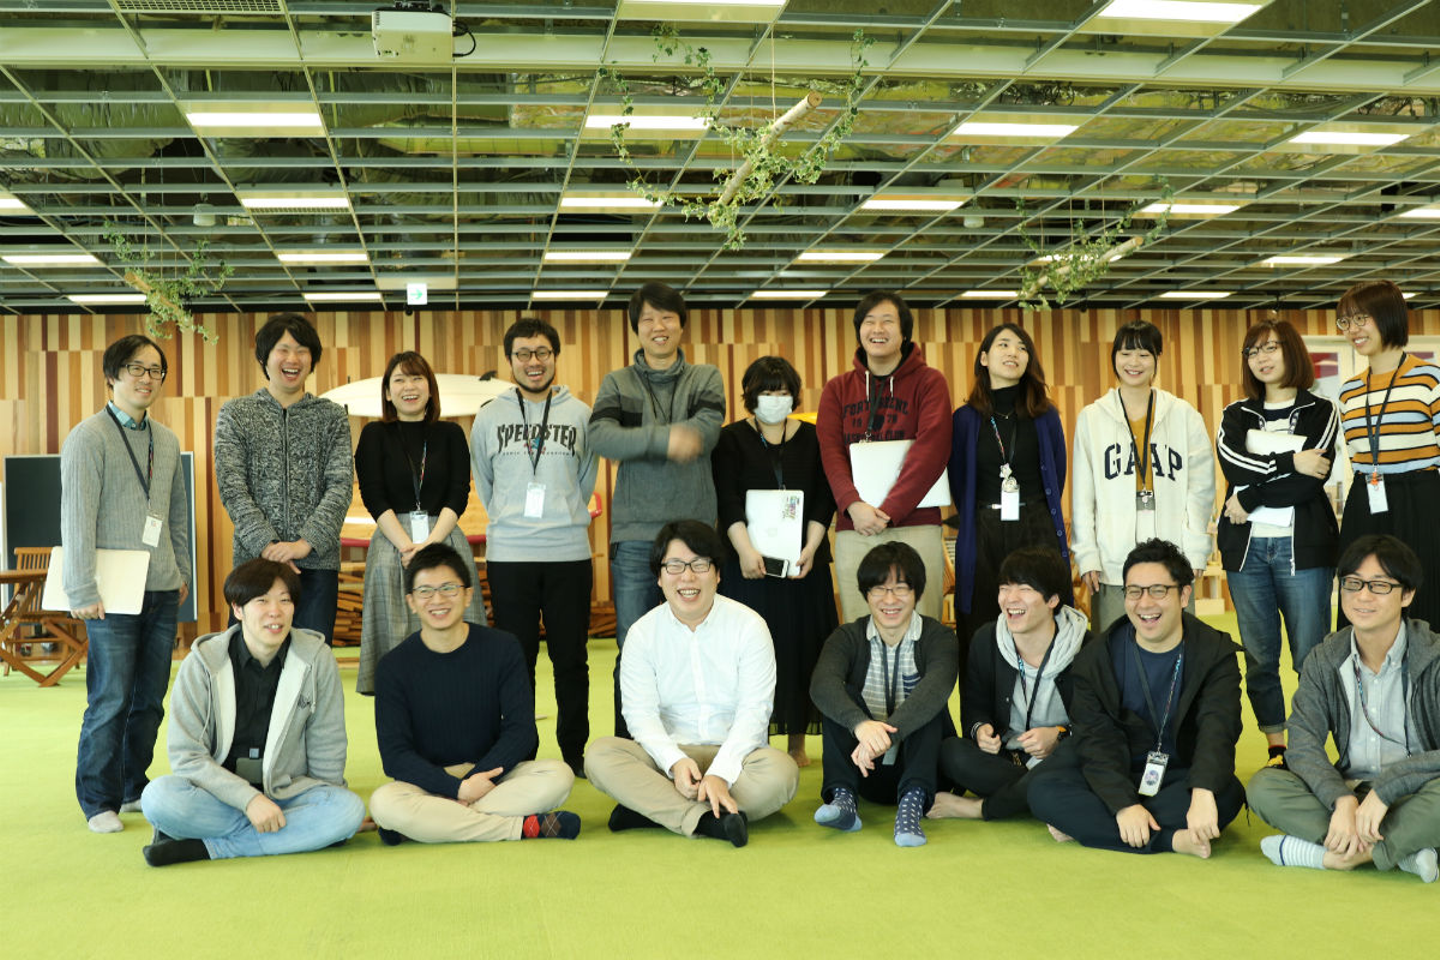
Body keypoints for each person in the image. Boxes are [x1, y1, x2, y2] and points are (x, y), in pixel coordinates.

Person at [584, 521, 800, 847]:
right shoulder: (642, 634)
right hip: (668, 758)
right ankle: (712, 820)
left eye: (699, 565)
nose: (687, 577)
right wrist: (673, 762)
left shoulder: (749, 626)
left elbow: (755, 712)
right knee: (600, 756)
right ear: (659, 577)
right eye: (674, 566)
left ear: (717, 574)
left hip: (737, 757)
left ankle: (653, 810)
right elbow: (640, 716)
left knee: (783, 773)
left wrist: (721, 772)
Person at [1027, 538, 1244, 858]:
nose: (1144, 603)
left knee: (1225, 794)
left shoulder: (1214, 653)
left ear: (1184, 595)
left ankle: (1093, 825)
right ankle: (1172, 840)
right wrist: (1124, 805)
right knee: (1042, 790)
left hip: (1180, 770)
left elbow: (1219, 727)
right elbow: (1097, 741)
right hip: (1119, 766)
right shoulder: (1096, 658)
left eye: (1158, 590)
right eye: (1134, 591)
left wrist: (1202, 791)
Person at [138, 559, 365, 866]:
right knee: (157, 797)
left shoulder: (316, 658)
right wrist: (250, 800)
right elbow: (187, 757)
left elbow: (328, 742)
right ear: (238, 609)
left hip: (288, 792)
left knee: (349, 810)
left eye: (285, 601)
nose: (276, 611)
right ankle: (286, 834)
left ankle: (208, 847)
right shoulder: (203, 662)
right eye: (262, 601)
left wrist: (331, 804)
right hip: (220, 796)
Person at [1249, 535, 1440, 882]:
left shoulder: (1434, 657)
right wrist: (1341, 799)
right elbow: (1302, 743)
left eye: (1379, 585)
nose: (1362, 596)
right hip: (1351, 790)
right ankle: (1405, 848)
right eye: (1353, 583)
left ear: (1407, 594)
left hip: (1420, 790)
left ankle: (1333, 855)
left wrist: (1388, 788)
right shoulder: (1325, 658)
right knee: (1263, 787)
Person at [61, 334, 192, 834]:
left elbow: (176, 515)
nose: (146, 378)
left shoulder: (167, 440)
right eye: (135, 368)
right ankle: (98, 799)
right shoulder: (88, 437)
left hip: (161, 588)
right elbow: (77, 517)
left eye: (155, 370)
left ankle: (133, 784)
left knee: (150, 699)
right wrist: (80, 589)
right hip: (110, 593)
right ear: (112, 376)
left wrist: (181, 571)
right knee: (110, 699)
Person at [368, 544, 580, 844]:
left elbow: (521, 731)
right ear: (411, 602)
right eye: (425, 591)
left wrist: (472, 784)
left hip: (491, 776)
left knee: (558, 776)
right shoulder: (392, 667)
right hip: (427, 783)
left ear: (468, 595)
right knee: (384, 802)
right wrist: (455, 789)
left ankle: (428, 824)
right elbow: (395, 756)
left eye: (448, 588)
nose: (438, 600)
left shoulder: (503, 648)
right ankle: (520, 828)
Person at [589, 282, 725, 735]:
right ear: (637, 329)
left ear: (681, 325)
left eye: (667, 317)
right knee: (633, 649)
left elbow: (705, 432)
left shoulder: (705, 377)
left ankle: (693, 743)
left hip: (696, 536)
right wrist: (666, 438)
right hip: (634, 537)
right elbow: (601, 437)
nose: (658, 326)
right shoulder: (617, 382)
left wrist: (637, 440)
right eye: (647, 319)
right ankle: (630, 747)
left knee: (697, 644)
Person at [472, 319, 598, 775]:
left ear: (554, 357)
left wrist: (560, 515)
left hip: (569, 554)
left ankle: (574, 750)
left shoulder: (580, 414)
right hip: (510, 556)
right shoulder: (489, 416)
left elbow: (586, 480)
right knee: (516, 661)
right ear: (510, 361)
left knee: (572, 659)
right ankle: (522, 750)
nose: (533, 362)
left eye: (542, 352)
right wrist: (513, 518)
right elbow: (484, 482)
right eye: (523, 353)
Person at [1216, 318, 1339, 767]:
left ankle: (1309, 746)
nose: (1261, 358)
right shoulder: (1236, 414)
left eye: (1271, 348)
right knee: (1260, 657)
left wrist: (1250, 495)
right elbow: (1234, 465)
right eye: (1253, 351)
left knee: (1311, 657)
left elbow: (1312, 480)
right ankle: (1277, 747)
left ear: (1292, 351)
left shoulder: (1322, 410)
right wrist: (1291, 461)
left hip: (1303, 550)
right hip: (1246, 551)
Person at [711, 356, 837, 767]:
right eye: (767, 391)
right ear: (750, 396)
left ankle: (797, 743)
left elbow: (824, 498)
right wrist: (745, 551)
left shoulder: (814, 437)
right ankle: (754, 739)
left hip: (803, 563)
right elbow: (727, 499)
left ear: (794, 395)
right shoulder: (730, 439)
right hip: (748, 564)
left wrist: (812, 547)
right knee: (751, 653)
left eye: (783, 392)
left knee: (802, 650)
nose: (775, 399)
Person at [809, 541, 959, 847]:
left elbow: (939, 685)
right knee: (838, 697)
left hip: (928, 774)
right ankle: (843, 799)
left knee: (927, 701)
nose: (890, 599)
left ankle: (911, 807)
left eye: (901, 588)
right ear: (866, 594)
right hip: (865, 769)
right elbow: (821, 685)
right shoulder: (847, 637)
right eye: (879, 589)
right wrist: (861, 726)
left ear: (917, 592)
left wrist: (886, 736)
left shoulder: (938, 637)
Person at [215, 313, 353, 641]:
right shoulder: (236, 414)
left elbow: (340, 485)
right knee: (250, 656)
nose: (293, 359)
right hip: (254, 563)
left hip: (316, 565)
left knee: (310, 657)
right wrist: (268, 545)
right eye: (283, 349)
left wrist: (304, 544)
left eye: (302, 351)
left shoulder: (332, 416)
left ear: (312, 360)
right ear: (264, 357)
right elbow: (232, 487)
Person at [354, 351, 486, 694]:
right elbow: (373, 495)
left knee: (453, 633)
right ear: (387, 392)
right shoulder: (373, 435)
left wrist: (430, 546)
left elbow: (458, 493)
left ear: (430, 388)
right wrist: (407, 547)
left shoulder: (451, 433)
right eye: (399, 380)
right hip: (392, 543)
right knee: (397, 642)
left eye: (417, 378)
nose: (409, 387)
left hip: (444, 538)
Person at [817, 290, 952, 622]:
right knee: (859, 625)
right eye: (869, 321)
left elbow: (931, 451)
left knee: (922, 624)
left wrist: (889, 511)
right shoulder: (837, 389)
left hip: (916, 523)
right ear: (859, 331)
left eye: (887, 321)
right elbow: (831, 453)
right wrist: (853, 505)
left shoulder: (930, 382)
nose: (877, 329)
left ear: (904, 332)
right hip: (856, 527)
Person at [1071, 320, 1214, 633]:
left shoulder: (1184, 415)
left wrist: (1195, 549)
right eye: (1125, 354)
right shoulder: (1092, 418)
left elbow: (1201, 490)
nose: (1133, 362)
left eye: (1143, 354)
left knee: (1175, 643)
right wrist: (1087, 555)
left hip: (1173, 556)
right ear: (1114, 358)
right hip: (1111, 561)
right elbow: (1082, 495)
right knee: (1113, 646)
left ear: (1157, 358)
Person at [931, 546, 1090, 822]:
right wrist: (981, 730)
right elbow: (974, 708)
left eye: (1025, 589)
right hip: (1009, 759)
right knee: (951, 752)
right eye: (1005, 588)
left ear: (1053, 599)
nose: (1010, 599)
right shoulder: (987, 640)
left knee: (1089, 758)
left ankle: (983, 808)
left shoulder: (1087, 648)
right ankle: (1045, 794)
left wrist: (1059, 735)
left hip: (1063, 756)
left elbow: (1098, 725)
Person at [949, 322, 1071, 649]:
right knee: (983, 624)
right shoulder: (964, 419)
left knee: (1039, 620)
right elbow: (959, 482)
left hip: (1036, 528)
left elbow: (1056, 476)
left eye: (1022, 347)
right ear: (984, 358)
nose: (1013, 352)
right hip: (983, 530)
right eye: (1003, 345)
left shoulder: (1045, 416)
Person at [1333, 279, 1440, 630]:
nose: (1352, 330)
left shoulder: (1429, 380)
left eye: (1361, 318)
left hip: (1421, 499)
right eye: (1345, 321)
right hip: (1366, 496)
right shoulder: (1349, 392)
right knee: (1361, 590)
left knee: (1424, 597)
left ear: (1389, 316)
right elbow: (1356, 457)